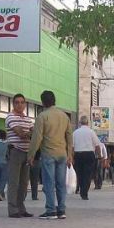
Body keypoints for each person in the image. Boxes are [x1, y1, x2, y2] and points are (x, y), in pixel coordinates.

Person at [28, 90, 72, 220]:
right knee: (61, 183)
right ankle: (61, 210)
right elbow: (69, 136)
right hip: (63, 154)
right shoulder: (64, 116)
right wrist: (70, 154)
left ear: (43, 102)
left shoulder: (42, 116)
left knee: (49, 183)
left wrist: (31, 155)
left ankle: (51, 210)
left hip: (48, 154)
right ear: (54, 100)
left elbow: (37, 138)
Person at [5, 93, 35, 218]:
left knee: (23, 183)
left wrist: (33, 133)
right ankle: (12, 209)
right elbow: (20, 133)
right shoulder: (10, 117)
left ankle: (21, 208)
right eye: (17, 102)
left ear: (25, 104)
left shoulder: (28, 119)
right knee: (14, 182)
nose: (20, 104)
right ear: (13, 104)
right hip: (15, 152)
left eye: (22, 102)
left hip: (26, 153)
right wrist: (32, 132)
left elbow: (34, 133)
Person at [72, 115, 101, 201]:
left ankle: (81, 190)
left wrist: (71, 157)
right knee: (88, 175)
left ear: (80, 123)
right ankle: (84, 193)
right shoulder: (91, 132)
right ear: (88, 122)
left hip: (78, 155)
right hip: (89, 155)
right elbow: (97, 145)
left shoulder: (75, 132)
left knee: (79, 174)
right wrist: (99, 155)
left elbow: (72, 147)